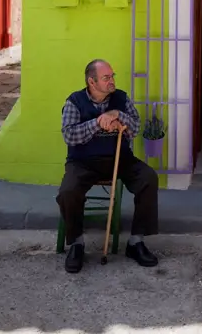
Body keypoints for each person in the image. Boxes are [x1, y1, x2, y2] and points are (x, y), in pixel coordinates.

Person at [57, 59, 159, 273]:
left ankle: (135, 242)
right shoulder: (74, 102)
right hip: (83, 162)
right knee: (68, 190)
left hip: (120, 159)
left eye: (112, 76)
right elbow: (69, 135)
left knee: (148, 178)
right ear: (92, 82)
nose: (112, 80)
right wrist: (97, 123)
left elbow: (136, 126)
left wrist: (117, 115)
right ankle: (76, 243)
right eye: (106, 77)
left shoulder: (121, 98)